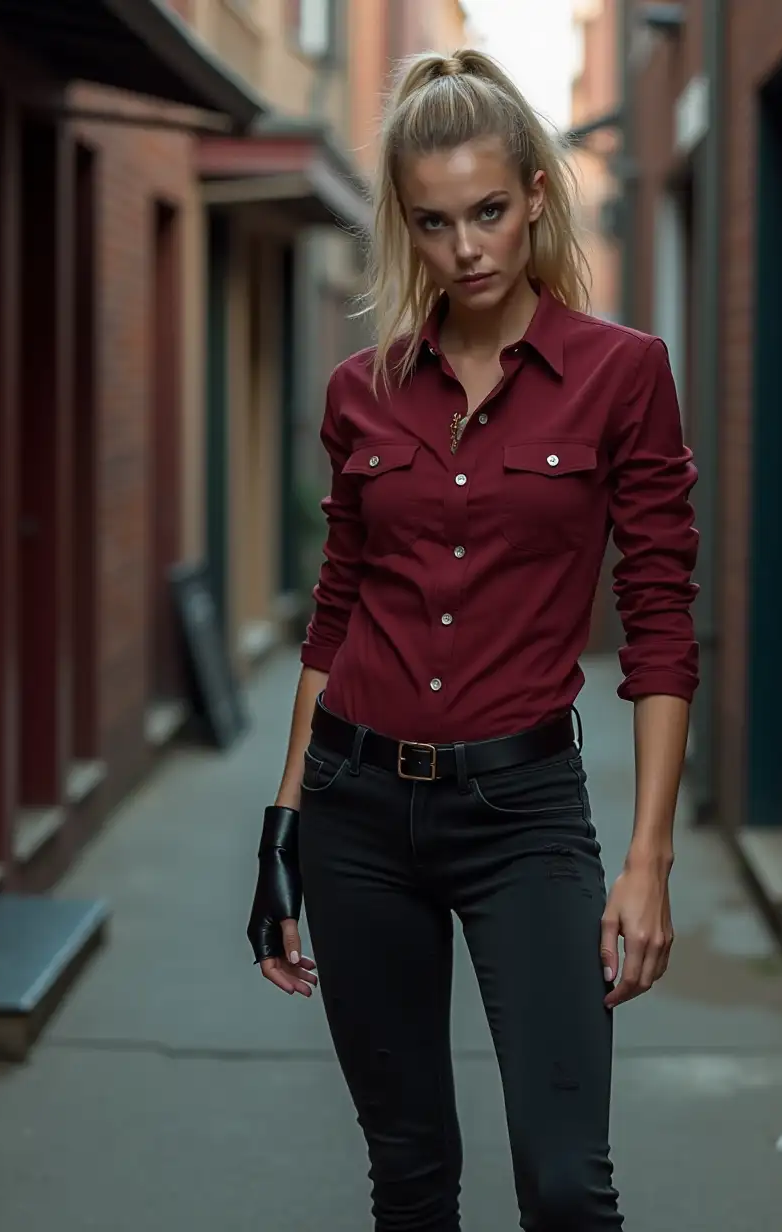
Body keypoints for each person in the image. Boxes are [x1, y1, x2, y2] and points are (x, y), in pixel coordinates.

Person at [247, 47, 699, 1232]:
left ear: (536, 195)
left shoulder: (623, 375)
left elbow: (659, 617)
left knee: (563, 1182)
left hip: (524, 812)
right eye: (435, 221)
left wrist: (647, 857)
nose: (468, 247)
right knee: (409, 1176)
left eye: (489, 210)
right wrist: (281, 825)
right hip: (354, 806)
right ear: (406, 226)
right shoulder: (362, 390)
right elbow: (335, 607)